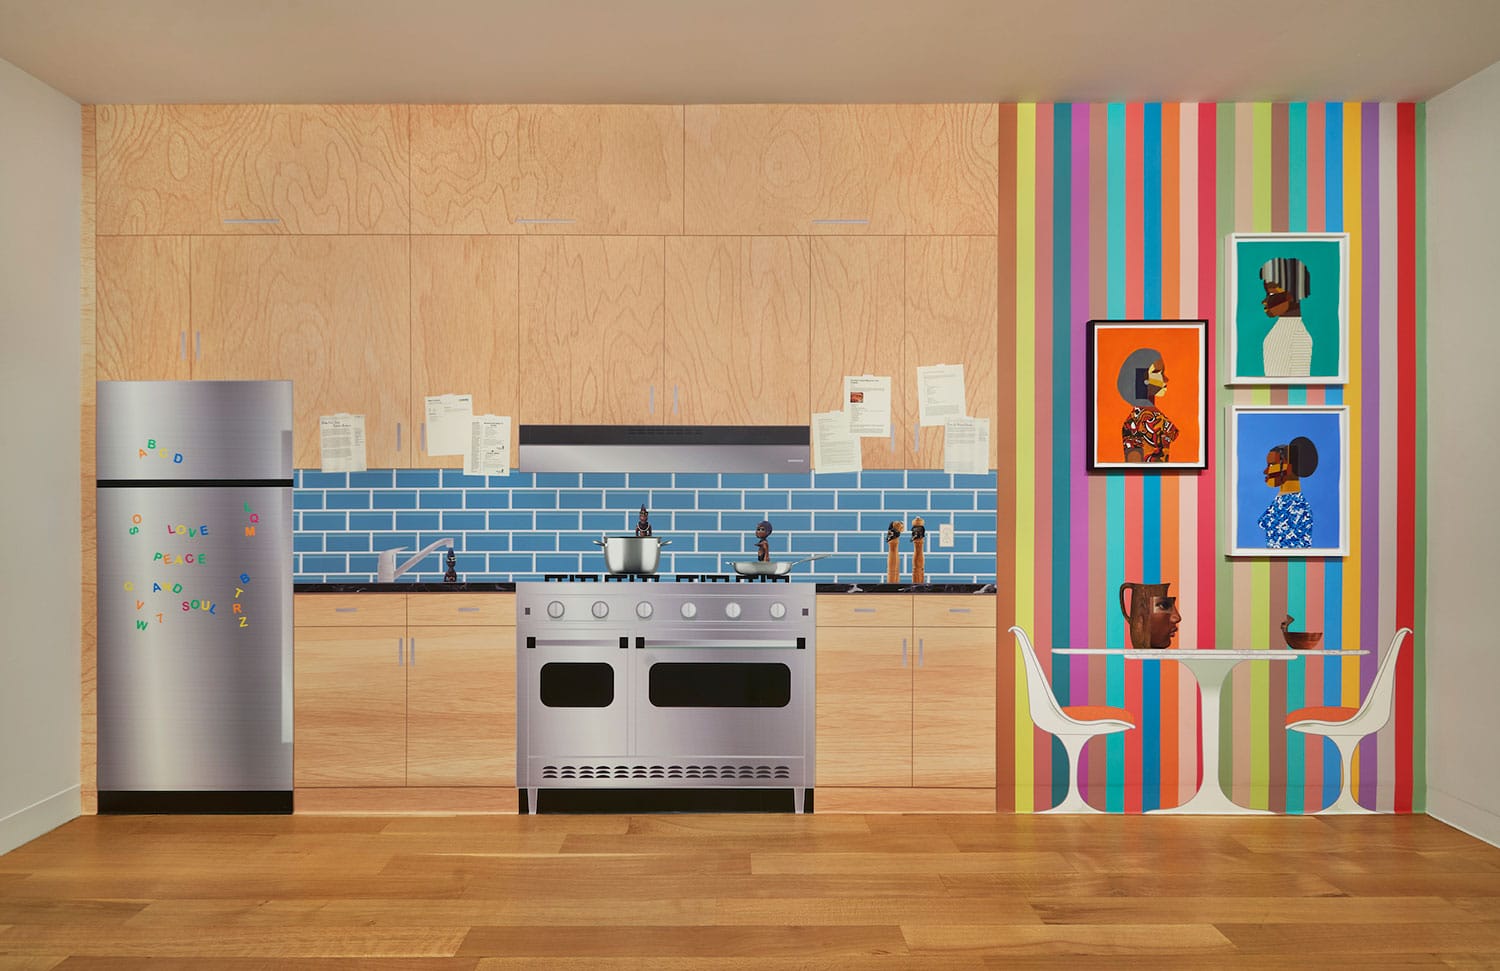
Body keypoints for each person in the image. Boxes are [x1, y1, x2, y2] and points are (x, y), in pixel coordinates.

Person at [1116, 347, 1179, 463]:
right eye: (1157, 373)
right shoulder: (1136, 423)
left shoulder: (1152, 415)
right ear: (1142, 378)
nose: (1166, 379)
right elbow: (1135, 467)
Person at [1257, 435, 1319, 548]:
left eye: (1272, 465)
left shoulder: (1296, 507)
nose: (1266, 471)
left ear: (1288, 468)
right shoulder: (1282, 500)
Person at [1259, 257, 1314, 377]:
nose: (1264, 301)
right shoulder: (1284, 331)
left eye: (1272, 293)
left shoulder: (1298, 337)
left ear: (1292, 295)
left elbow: (1299, 381)